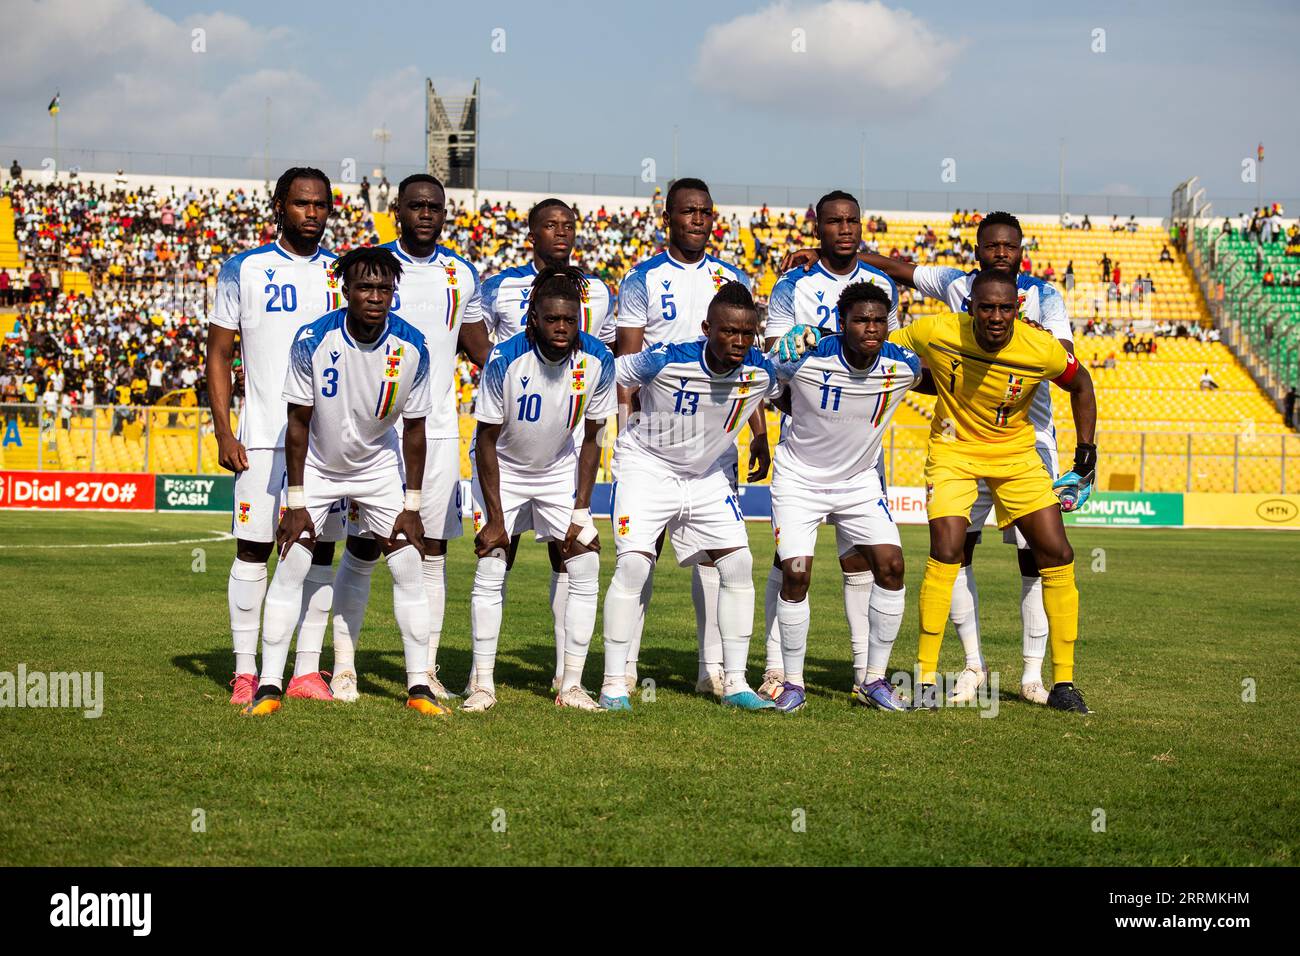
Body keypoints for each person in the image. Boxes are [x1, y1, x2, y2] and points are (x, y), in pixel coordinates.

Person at [779, 210, 1075, 704]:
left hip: (1027, 440)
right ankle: (970, 667)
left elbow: (1065, 359)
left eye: (1010, 246)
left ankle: (1032, 676)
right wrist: (834, 257)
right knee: (956, 554)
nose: (1001, 253)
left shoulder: (1044, 296)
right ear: (976, 251)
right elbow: (898, 270)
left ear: (1022, 250)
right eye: (992, 246)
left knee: (1038, 557)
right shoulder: (954, 287)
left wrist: (1081, 454)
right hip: (958, 445)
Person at [242, 246, 440, 717]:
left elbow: (415, 429)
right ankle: (270, 684)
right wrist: (295, 499)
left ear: (394, 292)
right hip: (318, 464)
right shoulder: (312, 338)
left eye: (384, 288)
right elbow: (297, 422)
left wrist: (412, 505)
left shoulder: (414, 346)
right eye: (365, 287)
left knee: (409, 566)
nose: (375, 296)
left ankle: (419, 688)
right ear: (345, 290)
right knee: (292, 565)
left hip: (377, 467)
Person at [327, 173, 490, 703]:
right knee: (361, 547)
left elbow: (477, 347)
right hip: (372, 432)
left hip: (436, 429)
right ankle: (345, 667)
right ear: (397, 209)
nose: (426, 213)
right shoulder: (373, 268)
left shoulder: (461, 273)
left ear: (445, 214)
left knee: (431, 549)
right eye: (416, 205)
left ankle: (427, 668)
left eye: (435, 207)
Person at [615, 177, 769, 699]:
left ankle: (714, 671)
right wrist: (627, 432)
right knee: (644, 551)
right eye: (689, 211)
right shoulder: (642, 278)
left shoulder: (733, 278)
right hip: (657, 433)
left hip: (714, 442)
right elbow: (628, 365)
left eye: (706, 211)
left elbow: (748, 366)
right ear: (670, 218)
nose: (699, 219)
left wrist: (758, 432)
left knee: (715, 556)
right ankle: (627, 668)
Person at [602, 281, 781, 711]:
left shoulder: (761, 369)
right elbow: (613, 374)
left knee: (738, 562)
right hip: (648, 466)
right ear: (706, 328)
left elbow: (790, 378)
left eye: (746, 333)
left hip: (707, 474)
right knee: (632, 566)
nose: (738, 341)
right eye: (727, 332)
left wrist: (800, 345)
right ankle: (612, 684)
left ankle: (735, 682)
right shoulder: (666, 359)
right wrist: (626, 421)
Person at [205, 167, 348, 706]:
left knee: (320, 553)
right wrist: (223, 428)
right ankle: (246, 671)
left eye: (321, 205)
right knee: (253, 550)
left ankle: (306, 671)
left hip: (329, 446)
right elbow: (218, 352)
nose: (312, 213)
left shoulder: (345, 274)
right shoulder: (243, 269)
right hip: (263, 436)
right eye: (301, 204)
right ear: (279, 206)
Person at [759, 190, 899, 700]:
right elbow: (775, 352)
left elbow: (887, 349)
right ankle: (778, 669)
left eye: (853, 221)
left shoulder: (881, 285)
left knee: (860, 560)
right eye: (835, 221)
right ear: (817, 227)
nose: (845, 229)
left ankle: (867, 672)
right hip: (807, 435)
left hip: (861, 448)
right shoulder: (792, 283)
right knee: (789, 562)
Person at [478, 198, 616, 693]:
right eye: (550, 225)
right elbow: (485, 439)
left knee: (580, 557)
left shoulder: (598, 304)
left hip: (563, 454)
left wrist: (582, 511)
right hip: (508, 453)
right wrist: (494, 515)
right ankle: (482, 683)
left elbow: (597, 432)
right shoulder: (502, 323)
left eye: (570, 320)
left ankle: (571, 683)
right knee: (495, 556)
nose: (563, 327)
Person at [767, 281, 919, 713]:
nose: (870, 328)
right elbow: (767, 381)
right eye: (860, 319)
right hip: (799, 479)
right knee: (796, 572)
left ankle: (873, 680)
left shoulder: (904, 365)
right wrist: (783, 355)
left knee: (891, 566)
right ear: (841, 322)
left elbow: (935, 374)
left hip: (858, 482)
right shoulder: (808, 355)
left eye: (877, 320)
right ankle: (793, 683)